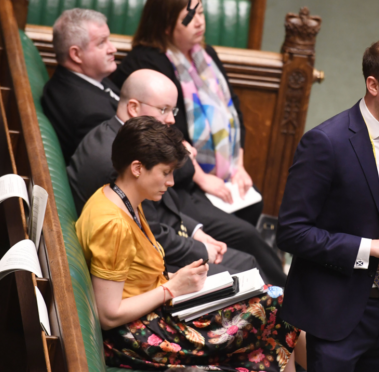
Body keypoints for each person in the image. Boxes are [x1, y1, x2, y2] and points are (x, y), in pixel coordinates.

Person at [76, 116, 301, 371]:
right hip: (137, 335)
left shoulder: (122, 198)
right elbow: (108, 315)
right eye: (165, 172)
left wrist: (181, 279)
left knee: (275, 301)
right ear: (137, 168)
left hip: (154, 314)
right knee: (275, 307)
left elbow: (134, 275)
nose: (171, 182)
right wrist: (172, 288)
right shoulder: (114, 224)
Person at [276, 36, 379, 372]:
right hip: (335, 313)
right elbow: (290, 232)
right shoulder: (325, 143)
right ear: (373, 84)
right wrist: (370, 248)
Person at [68, 69, 285, 285]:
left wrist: (195, 232)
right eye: (163, 109)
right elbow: (148, 233)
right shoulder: (118, 160)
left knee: (248, 260)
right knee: (247, 273)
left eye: (174, 110)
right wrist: (202, 250)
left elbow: (162, 204)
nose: (171, 119)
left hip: (164, 241)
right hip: (149, 265)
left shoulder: (122, 136)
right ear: (133, 108)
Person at [109, 0, 262, 227]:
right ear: (165, 25)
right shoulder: (147, 60)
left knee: (253, 203)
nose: (199, 22)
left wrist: (239, 167)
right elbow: (167, 129)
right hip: (179, 175)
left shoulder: (206, 55)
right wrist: (202, 178)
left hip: (224, 169)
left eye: (201, 13)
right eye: (189, 18)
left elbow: (234, 109)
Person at [42, 8, 119, 163]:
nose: (113, 49)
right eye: (102, 43)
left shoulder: (90, 77)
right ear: (76, 54)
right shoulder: (90, 114)